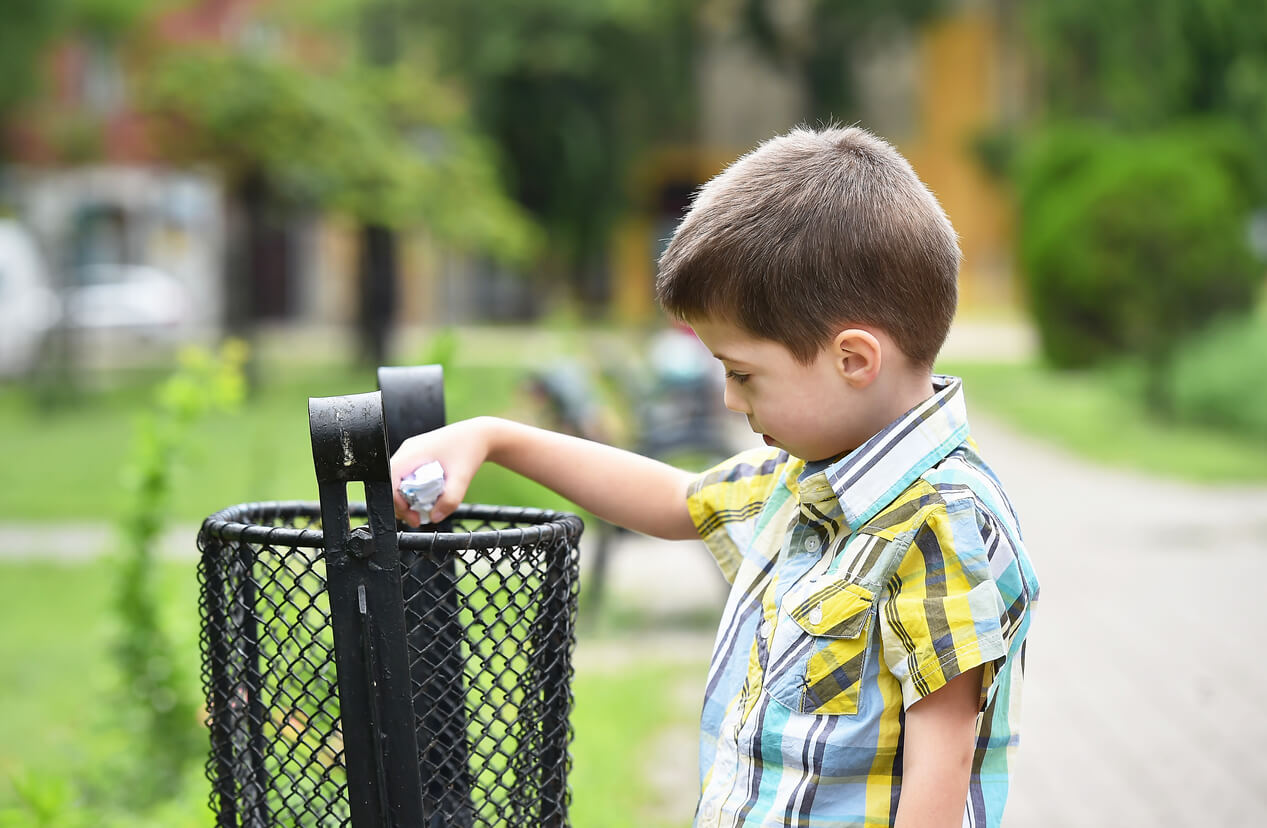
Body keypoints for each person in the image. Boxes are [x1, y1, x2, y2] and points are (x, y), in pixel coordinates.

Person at [390, 125, 1039, 827]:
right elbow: (673, 499)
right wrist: (493, 438)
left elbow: (937, 778)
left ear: (853, 359)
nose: (730, 400)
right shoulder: (802, 479)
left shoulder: (936, 523)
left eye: (742, 373)